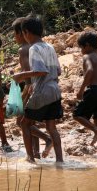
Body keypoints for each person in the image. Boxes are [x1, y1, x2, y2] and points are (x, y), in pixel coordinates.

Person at [13, 16, 63, 163]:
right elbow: (58, 71)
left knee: (24, 123)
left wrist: (20, 76)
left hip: (42, 90)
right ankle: (60, 160)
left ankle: (30, 158)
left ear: (26, 32)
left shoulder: (34, 48)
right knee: (51, 127)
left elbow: (40, 71)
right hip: (55, 90)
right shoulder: (50, 47)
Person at [12, 17, 40, 159]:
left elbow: (26, 69)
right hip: (37, 85)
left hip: (29, 86)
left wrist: (25, 89)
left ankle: (31, 155)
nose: (14, 37)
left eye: (15, 34)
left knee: (21, 121)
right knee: (31, 121)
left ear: (21, 33)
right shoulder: (33, 47)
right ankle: (36, 152)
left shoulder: (23, 49)